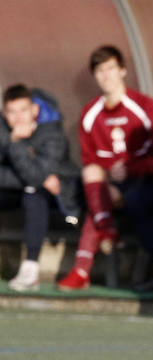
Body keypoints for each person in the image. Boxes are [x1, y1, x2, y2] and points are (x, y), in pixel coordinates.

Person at [59, 46, 153, 292]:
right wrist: (109, 180)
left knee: (128, 199)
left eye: (110, 69)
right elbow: (90, 160)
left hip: (144, 179)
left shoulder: (147, 107)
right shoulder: (89, 113)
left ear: (123, 71)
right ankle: (102, 239)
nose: (106, 76)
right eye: (99, 71)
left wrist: (131, 168)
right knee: (94, 185)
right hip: (106, 185)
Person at [1, 84, 80, 290]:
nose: (18, 117)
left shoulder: (52, 133)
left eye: (23, 110)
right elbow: (35, 176)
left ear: (34, 110)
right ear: (4, 113)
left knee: (33, 192)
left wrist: (15, 144)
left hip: (61, 202)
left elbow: (37, 178)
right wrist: (34, 176)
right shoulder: (2, 131)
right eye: (12, 112)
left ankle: (30, 268)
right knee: (31, 188)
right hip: (17, 191)